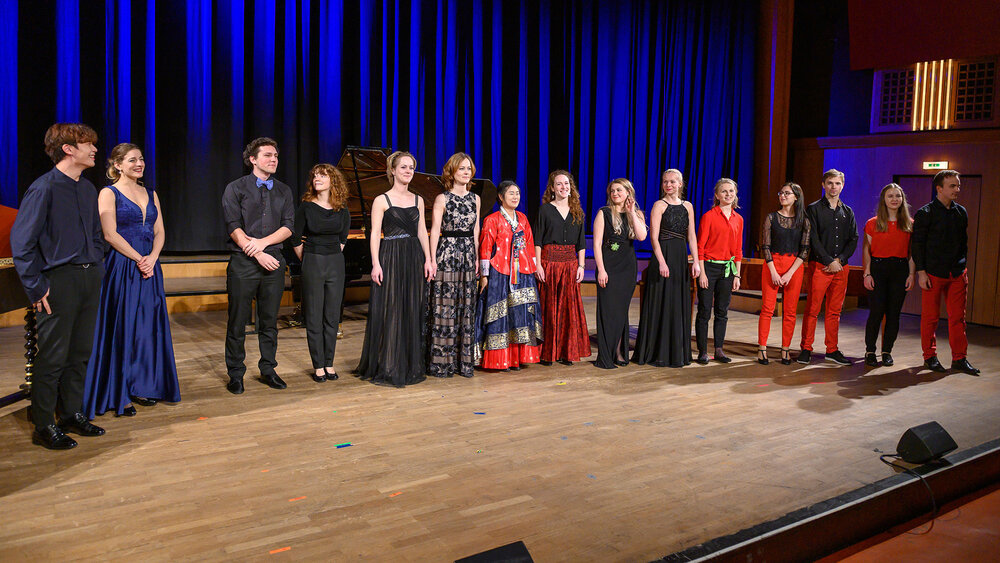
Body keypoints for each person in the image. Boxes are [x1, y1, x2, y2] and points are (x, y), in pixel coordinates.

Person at [10, 123, 107, 449]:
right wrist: (36, 286)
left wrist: (97, 264)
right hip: (58, 281)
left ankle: (71, 414)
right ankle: (44, 425)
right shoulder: (44, 188)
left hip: (89, 277)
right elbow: (22, 242)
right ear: (68, 149)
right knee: (53, 356)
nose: (94, 149)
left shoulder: (88, 189)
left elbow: (95, 234)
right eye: (88, 144)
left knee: (80, 352)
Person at [83, 143, 181, 418]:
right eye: (131, 160)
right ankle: (120, 391)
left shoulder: (151, 193)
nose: (139, 164)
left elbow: (160, 231)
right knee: (123, 326)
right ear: (117, 165)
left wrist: (152, 257)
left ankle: (143, 385)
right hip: (123, 265)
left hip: (150, 265)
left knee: (147, 327)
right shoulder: (108, 193)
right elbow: (110, 234)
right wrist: (140, 258)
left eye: (141, 159)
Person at [221, 137, 295, 394]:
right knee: (237, 321)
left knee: (269, 321)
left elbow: (288, 226)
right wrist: (257, 252)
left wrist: (262, 245)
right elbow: (233, 226)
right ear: (252, 159)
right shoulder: (235, 188)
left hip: (273, 260)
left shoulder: (284, 190)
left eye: (276, 155)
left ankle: (268, 369)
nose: (273, 159)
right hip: (244, 261)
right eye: (267, 155)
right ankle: (236, 373)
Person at [355, 150, 434, 387]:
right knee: (392, 309)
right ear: (392, 170)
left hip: (414, 256)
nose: (408, 171)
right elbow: (374, 234)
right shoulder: (382, 200)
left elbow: (422, 232)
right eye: (403, 167)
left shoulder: (418, 200)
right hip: (390, 256)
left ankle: (409, 364)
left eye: (411, 167)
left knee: (412, 308)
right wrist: (375, 263)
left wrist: (429, 259)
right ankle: (389, 364)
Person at [912, 170, 979, 375]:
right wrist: (921, 272)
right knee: (930, 318)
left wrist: (962, 266)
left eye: (958, 185)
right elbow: (917, 245)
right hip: (933, 273)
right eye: (952, 186)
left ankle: (959, 358)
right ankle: (929, 357)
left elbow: (963, 243)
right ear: (939, 188)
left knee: (958, 318)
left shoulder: (961, 212)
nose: (957, 189)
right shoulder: (926, 213)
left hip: (957, 273)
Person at [633, 169, 699, 367]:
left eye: (672, 182)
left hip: (680, 258)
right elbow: (654, 238)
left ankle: (676, 353)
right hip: (663, 256)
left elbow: (692, 236)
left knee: (677, 302)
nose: (668, 185)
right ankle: (656, 352)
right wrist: (662, 262)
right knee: (661, 302)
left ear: (680, 184)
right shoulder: (659, 205)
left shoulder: (688, 206)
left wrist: (696, 261)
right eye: (665, 182)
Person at [292, 164, 351, 382]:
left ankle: (329, 363)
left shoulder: (342, 209)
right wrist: (309, 257)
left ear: (332, 181)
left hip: (335, 263)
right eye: (315, 175)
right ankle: (318, 365)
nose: (317, 178)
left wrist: (330, 254)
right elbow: (295, 238)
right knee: (314, 315)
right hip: (313, 261)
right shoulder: (306, 207)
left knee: (332, 316)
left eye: (322, 175)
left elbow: (343, 239)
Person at [475, 181, 542, 370]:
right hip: (500, 272)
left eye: (517, 193)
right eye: (511, 193)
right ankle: (499, 359)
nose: (515, 197)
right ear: (500, 197)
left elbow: (529, 245)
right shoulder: (492, 219)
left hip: (523, 273)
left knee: (520, 314)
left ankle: (517, 358)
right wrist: (484, 276)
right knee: (501, 315)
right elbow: (485, 248)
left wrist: (533, 268)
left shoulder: (523, 219)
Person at [426, 152, 481, 378]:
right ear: (452, 171)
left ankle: (462, 363)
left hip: (468, 255)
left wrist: (476, 257)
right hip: (447, 254)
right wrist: (431, 259)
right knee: (445, 307)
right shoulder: (442, 198)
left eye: (469, 168)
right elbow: (434, 231)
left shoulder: (475, 198)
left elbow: (475, 230)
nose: (466, 172)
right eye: (461, 168)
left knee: (465, 307)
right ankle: (443, 363)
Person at [798, 169, 857, 366]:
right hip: (820, 266)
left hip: (841, 268)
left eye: (837, 183)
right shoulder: (813, 209)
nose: (834, 187)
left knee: (834, 311)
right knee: (812, 309)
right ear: (823, 185)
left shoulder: (848, 211)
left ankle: (832, 350)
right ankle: (806, 348)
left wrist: (839, 260)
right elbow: (812, 238)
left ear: (842, 186)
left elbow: (853, 239)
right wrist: (828, 260)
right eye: (830, 183)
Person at [534, 170, 591, 366]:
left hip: (570, 265)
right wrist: (538, 265)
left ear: (571, 187)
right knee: (549, 308)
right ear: (552, 188)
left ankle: (567, 352)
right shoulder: (545, 210)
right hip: (549, 263)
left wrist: (581, 266)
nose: (563, 187)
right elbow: (538, 241)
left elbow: (581, 243)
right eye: (559, 184)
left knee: (568, 309)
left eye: (566, 183)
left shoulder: (577, 212)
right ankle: (547, 353)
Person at [593, 178, 647, 369]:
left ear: (628, 193)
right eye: (612, 191)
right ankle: (607, 354)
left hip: (627, 267)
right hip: (609, 265)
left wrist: (631, 212)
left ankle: (618, 352)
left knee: (621, 310)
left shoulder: (636, 213)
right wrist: (601, 269)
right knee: (609, 310)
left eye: (619, 190)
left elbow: (641, 236)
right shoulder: (604, 212)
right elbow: (597, 244)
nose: (615, 193)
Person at [861, 183, 915, 367]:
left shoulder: (909, 224)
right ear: (884, 199)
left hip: (900, 269)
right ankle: (870, 351)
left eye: (898, 196)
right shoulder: (873, 223)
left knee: (893, 314)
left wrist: (911, 274)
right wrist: (867, 274)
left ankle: (887, 351)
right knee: (876, 312)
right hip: (878, 268)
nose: (894, 199)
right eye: (890, 196)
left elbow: (912, 253)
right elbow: (867, 250)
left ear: (902, 199)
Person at [757, 182, 810, 365]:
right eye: (781, 193)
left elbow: (805, 250)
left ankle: (785, 349)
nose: (783, 196)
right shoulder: (771, 218)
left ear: (796, 197)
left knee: (790, 311)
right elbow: (765, 246)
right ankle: (762, 348)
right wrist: (773, 271)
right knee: (767, 309)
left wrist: (789, 274)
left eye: (787, 193)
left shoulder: (804, 221)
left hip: (794, 266)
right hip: (772, 264)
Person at [695, 178, 743, 364]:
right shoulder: (709, 216)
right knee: (704, 311)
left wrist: (737, 274)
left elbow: (738, 250)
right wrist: (702, 272)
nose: (728, 194)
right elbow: (700, 246)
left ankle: (719, 350)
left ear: (735, 194)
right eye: (724, 191)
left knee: (722, 311)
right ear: (717, 195)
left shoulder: (739, 219)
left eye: (731, 191)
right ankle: (702, 351)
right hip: (709, 267)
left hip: (728, 269)